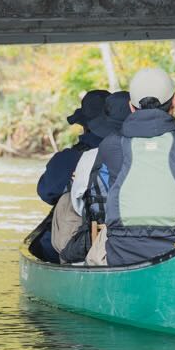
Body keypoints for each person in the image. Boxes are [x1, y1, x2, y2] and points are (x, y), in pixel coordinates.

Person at [84, 67, 175, 267]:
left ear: (131, 106)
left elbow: (99, 205)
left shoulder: (110, 146)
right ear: (174, 102)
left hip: (121, 260)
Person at [34, 89, 109, 263]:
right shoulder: (131, 153)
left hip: (75, 245)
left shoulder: (69, 158)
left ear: (84, 125)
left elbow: (46, 192)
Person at [57, 91, 130, 264]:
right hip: (147, 233)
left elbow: (77, 203)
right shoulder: (155, 155)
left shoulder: (89, 157)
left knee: (67, 200)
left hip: (103, 235)